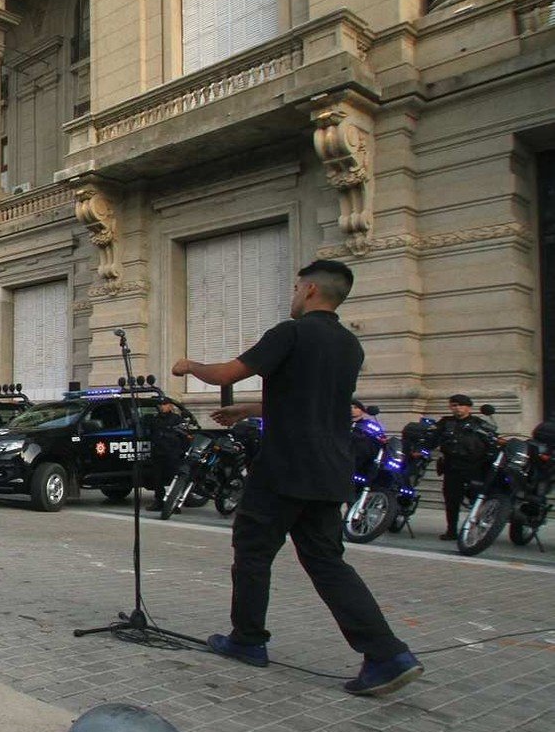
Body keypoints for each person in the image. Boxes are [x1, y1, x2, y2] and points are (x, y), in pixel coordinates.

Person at [172, 259, 423, 697]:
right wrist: (246, 411)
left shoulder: (290, 333)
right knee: (327, 562)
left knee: (252, 551)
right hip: (330, 469)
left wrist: (189, 366)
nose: (291, 295)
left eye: (294, 287)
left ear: (309, 290)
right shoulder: (349, 345)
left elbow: (227, 373)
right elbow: (311, 403)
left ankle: (247, 640)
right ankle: (386, 653)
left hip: (284, 468)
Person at [434, 394, 497, 541]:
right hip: (452, 467)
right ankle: (451, 531)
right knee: (451, 500)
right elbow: (432, 437)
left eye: (460, 405)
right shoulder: (445, 422)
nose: (457, 408)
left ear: (469, 407)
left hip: (474, 468)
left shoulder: (479, 424)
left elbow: (492, 442)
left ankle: (475, 530)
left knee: (477, 499)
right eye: (454, 405)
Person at [147, 400, 191, 511]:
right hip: (158, 453)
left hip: (172, 453)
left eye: (164, 405)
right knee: (158, 479)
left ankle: (174, 504)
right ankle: (158, 502)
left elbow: (184, 436)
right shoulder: (155, 419)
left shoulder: (177, 419)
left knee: (174, 480)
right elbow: (151, 434)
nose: (162, 407)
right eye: (160, 405)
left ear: (170, 406)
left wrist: (183, 451)